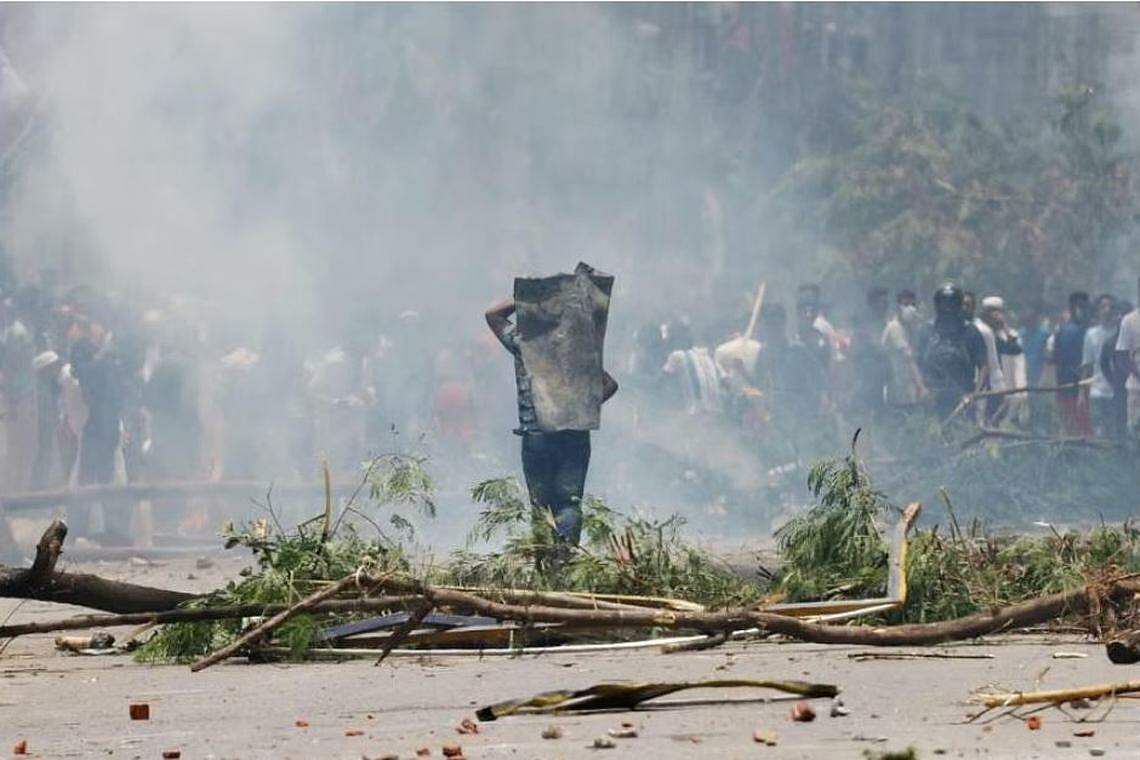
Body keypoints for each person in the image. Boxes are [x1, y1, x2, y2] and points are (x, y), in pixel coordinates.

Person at [485, 272, 618, 548]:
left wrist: (532, 298)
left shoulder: (527, 344)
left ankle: (547, 567)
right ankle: (566, 560)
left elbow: (493, 315)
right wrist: (578, 407)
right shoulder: (580, 349)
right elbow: (610, 385)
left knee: (541, 505)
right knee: (569, 503)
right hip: (574, 433)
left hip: (537, 434)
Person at [918, 284, 985, 416]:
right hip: (933, 395)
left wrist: (975, 395)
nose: (947, 309)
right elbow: (916, 362)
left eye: (951, 304)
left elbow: (983, 365)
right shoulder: (927, 331)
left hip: (963, 397)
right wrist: (921, 388)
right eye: (944, 304)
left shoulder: (970, 331)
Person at [980, 296, 1025, 424]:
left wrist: (1005, 328)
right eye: (993, 313)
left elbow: (1015, 349)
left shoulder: (999, 336)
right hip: (982, 382)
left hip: (997, 384)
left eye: (999, 313)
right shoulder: (981, 332)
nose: (996, 316)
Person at [1054, 291, 1093, 436]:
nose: (1081, 310)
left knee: (1085, 422)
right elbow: (1057, 359)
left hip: (1087, 383)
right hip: (1066, 382)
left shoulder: (1091, 331)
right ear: (1071, 307)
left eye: (1084, 306)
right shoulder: (1063, 331)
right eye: (1078, 306)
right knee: (1068, 422)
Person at [881, 289, 927, 408]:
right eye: (906, 305)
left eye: (913, 305)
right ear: (898, 307)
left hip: (908, 386)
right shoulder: (895, 328)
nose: (910, 309)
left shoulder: (910, 328)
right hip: (898, 387)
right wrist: (921, 387)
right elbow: (909, 358)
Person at [1082, 294, 1117, 438]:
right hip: (1096, 391)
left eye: (1110, 306)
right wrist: (1081, 394)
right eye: (1103, 306)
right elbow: (1087, 364)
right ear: (1098, 310)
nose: (1106, 310)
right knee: (1098, 432)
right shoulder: (1091, 334)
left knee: (1114, 430)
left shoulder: (1120, 332)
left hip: (1116, 391)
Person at [1102, 299, 1132, 441]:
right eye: (1117, 314)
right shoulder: (1110, 343)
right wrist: (1113, 381)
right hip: (1120, 391)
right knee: (1120, 428)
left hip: (1135, 390)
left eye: (1123, 313)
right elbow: (1104, 364)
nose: (1119, 317)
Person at [1115, 278, 1140, 438]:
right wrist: (1137, 374)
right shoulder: (1130, 320)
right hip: (1137, 390)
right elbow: (1121, 355)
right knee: (1136, 435)